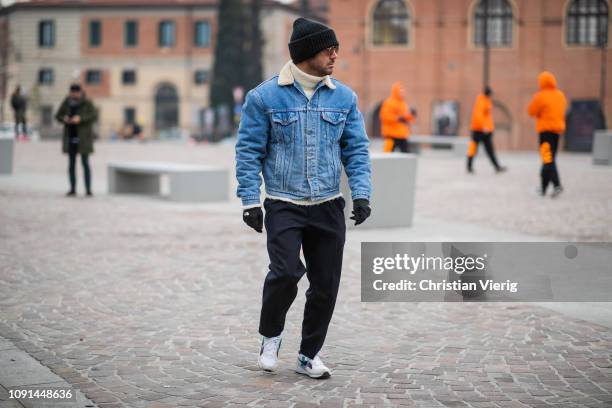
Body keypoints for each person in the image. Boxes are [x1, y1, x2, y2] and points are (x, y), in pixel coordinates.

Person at [235, 17, 372, 379]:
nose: (335, 55)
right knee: (284, 273)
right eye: (329, 48)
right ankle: (270, 336)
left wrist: (361, 195)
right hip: (283, 202)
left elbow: (356, 150)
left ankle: (308, 355)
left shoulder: (344, 97)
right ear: (307, 52)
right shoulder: (264, 97)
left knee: (325, 286)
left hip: (328, 205)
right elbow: (248, 151)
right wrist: (250, 201)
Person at [528, 71, 567, 198]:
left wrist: (540, 113)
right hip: (556, 133)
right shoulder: (560, 95)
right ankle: (544, 188)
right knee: (549, 159)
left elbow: (531, 111)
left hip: (545, 132)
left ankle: (557, 185)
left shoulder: (541, 96)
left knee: (547, 159)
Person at [55, 84, 98, 197]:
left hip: (84, 138)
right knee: (71, 164)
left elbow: (93, 115)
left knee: (85, 163)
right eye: (72, 92)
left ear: (80, 92)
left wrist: (80, 119)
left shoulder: (87, 102)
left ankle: (88, 189)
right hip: (70, 136)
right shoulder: (66, 102)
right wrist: (64, 118)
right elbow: (58, 115)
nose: (74, 94)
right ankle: (72, 188)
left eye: (76, 92)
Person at [467, 87, 506, 173]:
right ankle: (469, 166)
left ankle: (496, 166)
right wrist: (484, 127)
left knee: (486, 150)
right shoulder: (482, 101)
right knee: (475, 148)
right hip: (480, 130)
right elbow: (478, 115)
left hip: (482, 130)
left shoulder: (485, 100)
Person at [379, 82, 416, 153]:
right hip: (391, 135)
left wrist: (412, 115)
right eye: (401, 92)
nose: (403, 94)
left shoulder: (403, 104)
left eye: (403, 92)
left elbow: (405, 117)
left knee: (406, 157)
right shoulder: (389, 102)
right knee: (387, 156)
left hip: (402, 135)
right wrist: (397, 118)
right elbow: (384, 116)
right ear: (396, 92)